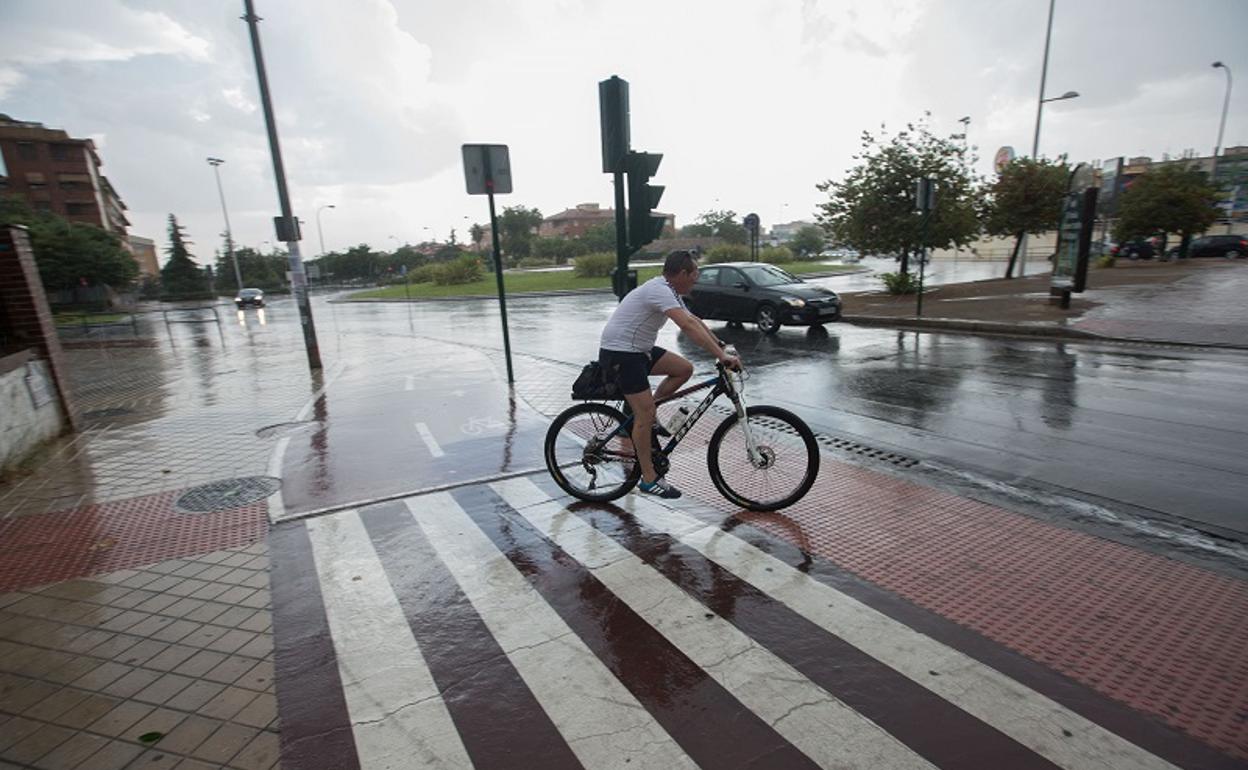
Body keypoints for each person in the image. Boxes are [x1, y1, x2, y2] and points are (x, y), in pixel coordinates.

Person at [598, 249, 740, 498]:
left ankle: (648, 415)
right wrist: (721, 358)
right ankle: (648, 477)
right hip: (621, 353)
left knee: (683, 369)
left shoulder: (669, 290)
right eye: (694, 275)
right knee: (644, 414)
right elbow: (685, 326)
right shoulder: (658, 290)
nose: (696, 281)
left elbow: (693, 319)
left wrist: (720, 346)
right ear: (682, 273)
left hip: (638, 350)